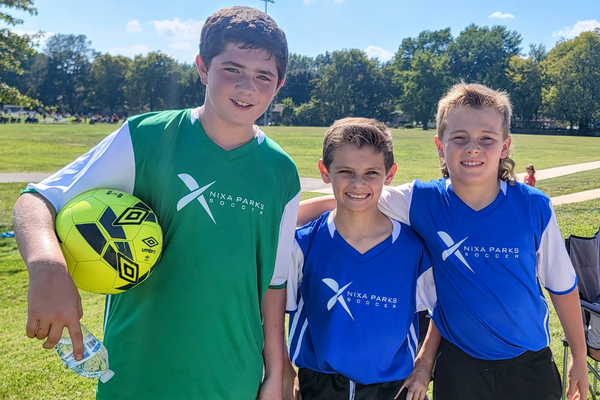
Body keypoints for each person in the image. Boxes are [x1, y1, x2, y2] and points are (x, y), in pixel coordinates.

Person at [13, 6, 300, 400]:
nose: (247, 87)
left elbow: (272, 284)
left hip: (233, 376)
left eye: (263, 76)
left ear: (279, 84)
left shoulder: (280, 171)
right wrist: (48, 268)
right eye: (232, 69)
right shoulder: (146, 138)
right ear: (202, 67)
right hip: (137, 372)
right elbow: (36, 201)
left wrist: (276, 371)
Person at [298, 83, 588, 400]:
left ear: (505, 146)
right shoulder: (422, 200)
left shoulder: (534, 207)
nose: (473, 148)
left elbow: (562, 285)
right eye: (459, 138)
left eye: (486, 139)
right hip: (459, 365)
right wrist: (284, 220)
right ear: (440, 145)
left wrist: (578, 354)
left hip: (528, 365)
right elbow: (356, 197)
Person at [284, 118, 436, 400]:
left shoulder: (413, 250)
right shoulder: (302, 244)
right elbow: (270, 311)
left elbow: (440, 310)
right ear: (324, 171)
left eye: (370, 173)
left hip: (393, 390)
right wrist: (283, 368)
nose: (358, 183)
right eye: (345, 171)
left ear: (389, 174)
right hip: (317, 387)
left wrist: (424, 366)